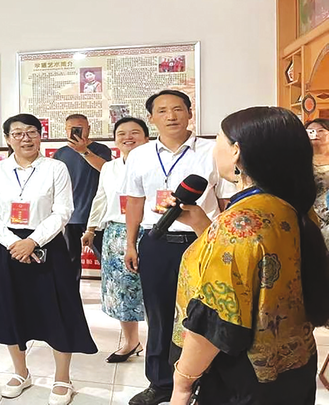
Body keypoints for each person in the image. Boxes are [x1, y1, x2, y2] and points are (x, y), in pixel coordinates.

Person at [168, 107, 329, 405]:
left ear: (236, 152)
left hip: (242, 378)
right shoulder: (291, 207)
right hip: (293, 369)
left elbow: (219, 318)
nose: (214, 148)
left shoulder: (240, 223)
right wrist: (203, 225)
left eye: (218, 139)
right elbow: (256, 272)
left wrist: (183, 381)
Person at [121, 90, 233, 405]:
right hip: (156, 241)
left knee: (202, 316)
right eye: (162, 111)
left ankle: (201, 382)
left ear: (189, 113)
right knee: (158, 316)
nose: (171, 116)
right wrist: (131, 244)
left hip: (201, 242)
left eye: (177, 109)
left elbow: (225, 202)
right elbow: (135, 202)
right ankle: (160, 383)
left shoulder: (212, 151)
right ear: (151, 118)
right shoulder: (140, 155)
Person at [0, 113, 97, 405]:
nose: (26, 138)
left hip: (47, 245)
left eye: (32, 132)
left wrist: (32, 241)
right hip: (6, 247)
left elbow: (63, 211)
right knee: (9, 308)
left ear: (40, 135)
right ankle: (21, 372)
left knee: (58, 309)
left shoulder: (55, 168)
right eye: (18, 133)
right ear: (7, 139)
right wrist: (15, 243)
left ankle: (63, 378)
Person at [82, 117, 149, 363]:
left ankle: (161, 345)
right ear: (115, 140)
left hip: (150, 231)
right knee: (122, 292)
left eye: (135, 132)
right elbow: (101, 198)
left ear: (147, 138)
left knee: (154, 291)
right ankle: (131, 341)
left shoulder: (155, 165)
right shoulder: (109, 168)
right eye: (121, 133)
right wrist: (91, 228)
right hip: (115, 234)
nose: (128, 137)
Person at [52, 114, 112, 281]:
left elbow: (106, 170)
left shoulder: (101, 149)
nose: (76, 132)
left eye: (80, 128)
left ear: (88, 129)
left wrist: (84, 150)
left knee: (105, 258)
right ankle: (70, 294)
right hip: (69, 215)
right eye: (71, 129)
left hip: (96, 215)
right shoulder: (60, 153)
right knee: (69, 262)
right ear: (65, 130)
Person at [307, 118, 329, 248]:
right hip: (309, 215)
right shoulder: (301, 161)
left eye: (321, 131)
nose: (315, 134)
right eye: (310, 131)